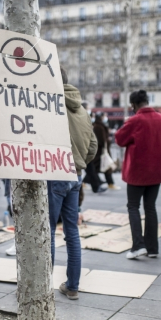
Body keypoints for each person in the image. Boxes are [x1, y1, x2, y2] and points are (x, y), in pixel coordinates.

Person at [49, 67, 97, 300]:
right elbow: (93, 146)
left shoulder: (50, 104)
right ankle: (73, 286)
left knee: (46, 231)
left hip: (56, 172)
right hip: (75, 175)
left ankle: (40, 287)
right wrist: (79, 163)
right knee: (72, 232)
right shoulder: (83, 111)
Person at [116, 90, 161, 259]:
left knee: (133, 207)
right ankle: (153, 248)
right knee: (150, 208)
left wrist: (126, 124)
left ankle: (138, 246)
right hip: (156, 171)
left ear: (133, 105)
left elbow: (119, 139)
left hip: (137, 172)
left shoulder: (135, 120)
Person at [92, 113, 120, 190]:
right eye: (104, 116)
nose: (106, 117)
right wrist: (107, 142)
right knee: (104, 168)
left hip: (101, 152)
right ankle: (110, 183)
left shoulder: (100, 125)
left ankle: (108, 183)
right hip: (101, 152)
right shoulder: (98, 127)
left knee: (95, 169)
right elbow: (102, 140)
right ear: (101, 117)